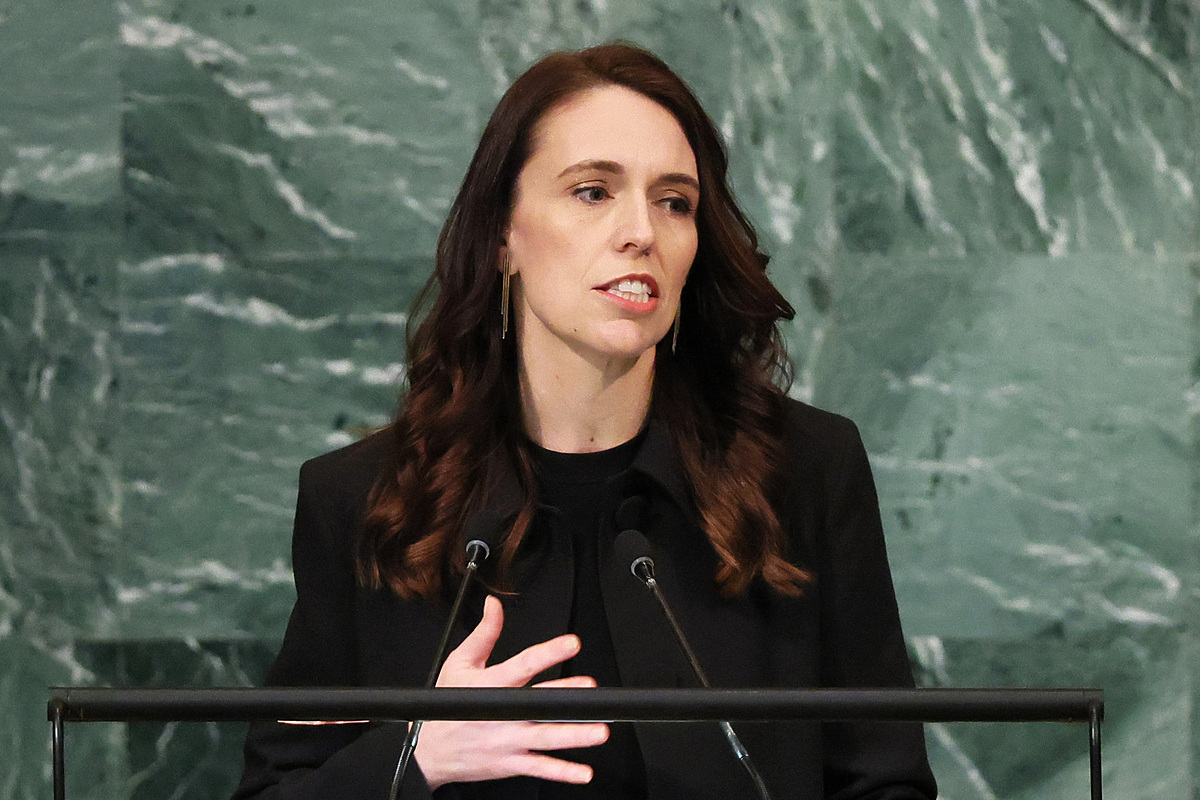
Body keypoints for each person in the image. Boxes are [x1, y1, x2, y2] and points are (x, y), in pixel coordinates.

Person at [232, 42, 938, 800]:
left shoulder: (806, 470)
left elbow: (884, 783)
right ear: (503, 234)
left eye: (675, 202)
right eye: (593, 191)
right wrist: (415, 756)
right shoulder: (365, 499)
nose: (642, 232)